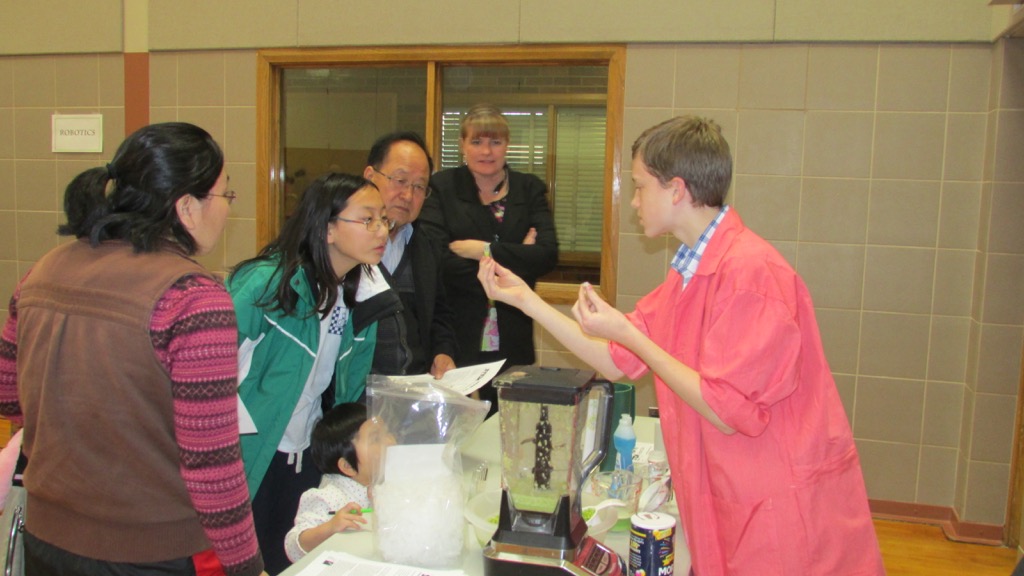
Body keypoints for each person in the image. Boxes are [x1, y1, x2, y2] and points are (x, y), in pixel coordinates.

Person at [477, 116, 885, 575]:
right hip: (727, 494)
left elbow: (726, 408)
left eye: (639, 187)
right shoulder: (690, 273)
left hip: (777, 506)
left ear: (675, 189)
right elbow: (614, 359)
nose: (634, 202)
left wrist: (630, 335)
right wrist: (525, 299)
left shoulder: (751, 274)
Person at [0, 122, 264, 575]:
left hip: (48, 539)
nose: (228, 207)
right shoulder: (193, 297)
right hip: (150, 552)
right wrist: (249, 567)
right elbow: (212, 466)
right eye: (226, 194)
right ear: (187, 207)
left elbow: (9, 396)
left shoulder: (42, 271)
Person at [228, 173, 399, 574]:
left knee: (297, 558)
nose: (382, 231)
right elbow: (207, 369)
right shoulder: (267, 283)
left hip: (307, 452)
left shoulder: (361, 296)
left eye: (384, 220)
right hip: (252, 451)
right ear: (327, 229)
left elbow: (347, 393)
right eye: (368, 219)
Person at [420, 103, 559, 409]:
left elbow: (547, 256)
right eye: (477, 141)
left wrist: (482, 250)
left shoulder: (529, 189)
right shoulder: (441, 188)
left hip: (513, 336)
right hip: (455, 334)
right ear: (462, 145)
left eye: (495, 141)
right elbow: (437, 260)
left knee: (510, 424)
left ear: (507, 145)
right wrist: (518, 257)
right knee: (455, 423)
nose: (486, 151)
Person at [362, 131, 458, 378]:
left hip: (413, 387)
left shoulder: (428, 246)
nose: (408, 196)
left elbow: (440, 315)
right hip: (355, 391)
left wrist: (443, 353)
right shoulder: (344, 245)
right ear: (370, 177)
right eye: (400, 180)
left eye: (419, 187)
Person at [283, 402, 395, 562]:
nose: (390, 441)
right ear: (348, 466)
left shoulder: (386, 484)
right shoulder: (327, 497)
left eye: (388, 432)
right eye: (376, 439)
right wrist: (330, 528)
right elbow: (293, 547)